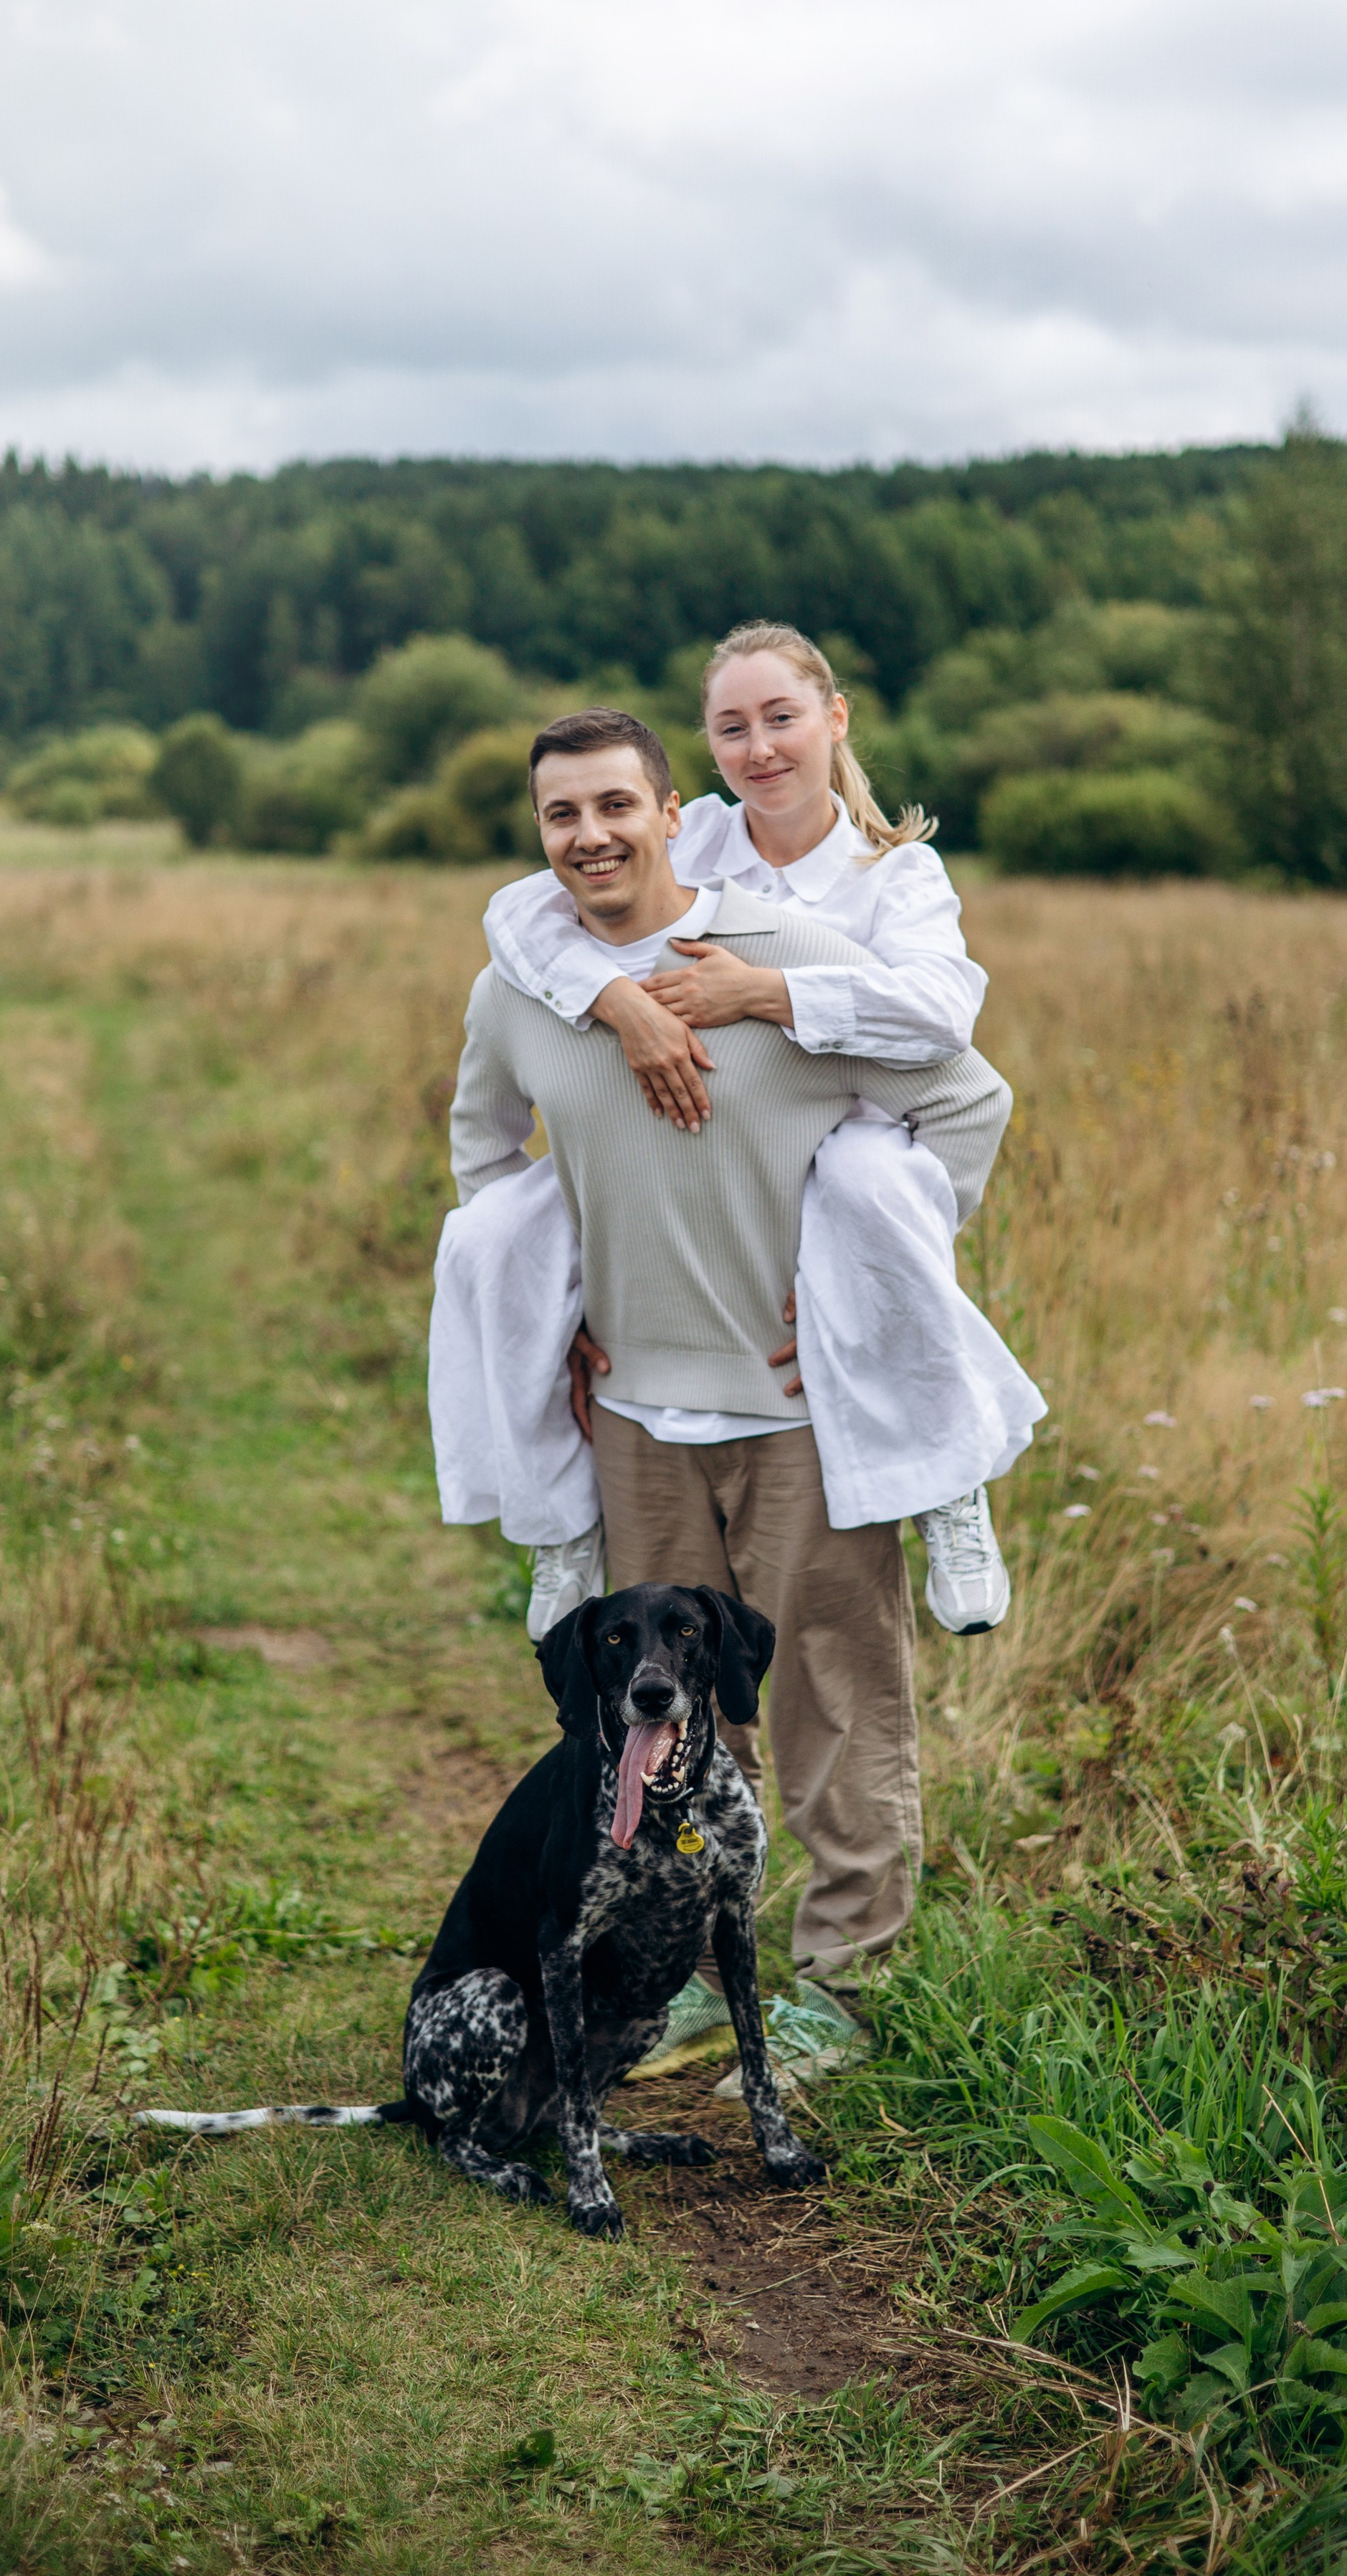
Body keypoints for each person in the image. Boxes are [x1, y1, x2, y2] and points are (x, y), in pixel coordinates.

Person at [443, 705, 1014, 1985]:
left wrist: (879, 1286)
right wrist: (546, 1302)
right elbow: (483, 1153)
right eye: (560, 815)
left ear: (669, 809)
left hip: (798, 1415)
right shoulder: (522, 991)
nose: (590, 836)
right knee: (667, 1728)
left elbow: (969, 1097)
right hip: (634, 1425)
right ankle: (708, 1981)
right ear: (540, 833)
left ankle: (845, 1985)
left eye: (614, 806)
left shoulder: (779, 952)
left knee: (831, 1701)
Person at [431, 621, 1044, 1644]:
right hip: (675, 1168)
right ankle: (555, 1520)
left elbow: (944, 1027)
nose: (759, 748)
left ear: (835, 718)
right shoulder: (698, 836)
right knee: (493, 1237)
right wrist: (619, 1004)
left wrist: (767, 991)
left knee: (868, 1188)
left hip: (841, 1135)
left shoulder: (895, 877)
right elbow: (523, 918)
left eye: (781, 718)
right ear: (704, 754)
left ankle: (949, 1475)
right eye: (730, 727)